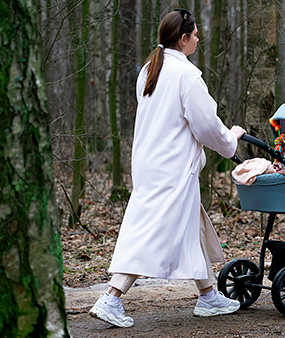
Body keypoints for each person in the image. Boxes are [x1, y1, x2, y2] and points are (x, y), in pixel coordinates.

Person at [89, 9, 246, 328]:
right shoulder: (187, 76)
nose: (199, 39)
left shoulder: (150, 69)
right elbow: (206, 126)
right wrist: (232, 139)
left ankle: (208, 295)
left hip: (151, 163)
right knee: (152, 232)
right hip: (173, 167)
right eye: (196, 34)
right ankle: (111, 298)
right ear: (183, 38)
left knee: (189, 224)